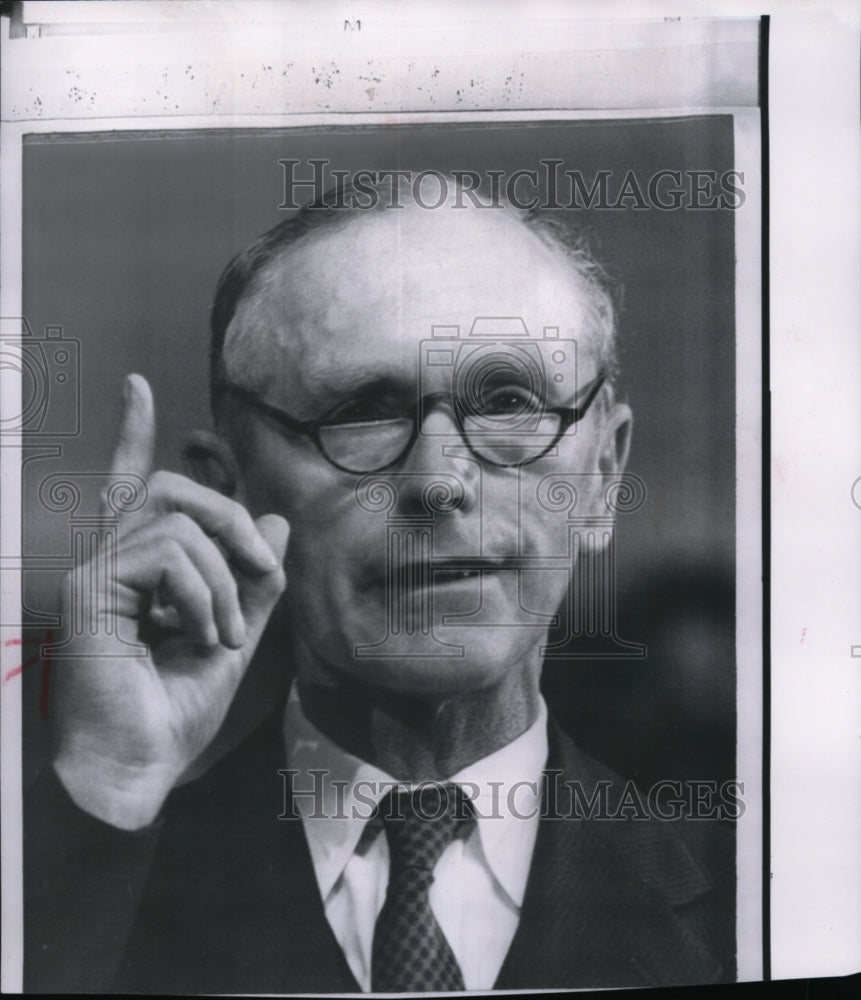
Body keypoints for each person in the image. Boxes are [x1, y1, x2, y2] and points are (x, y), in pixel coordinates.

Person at [24, 178, 734, 993]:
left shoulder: (767, 890)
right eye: (362, 411)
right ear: (233, 492)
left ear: (603, 476)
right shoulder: (87, 879)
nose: (438, 481)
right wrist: (108, 784)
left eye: (507, 400)